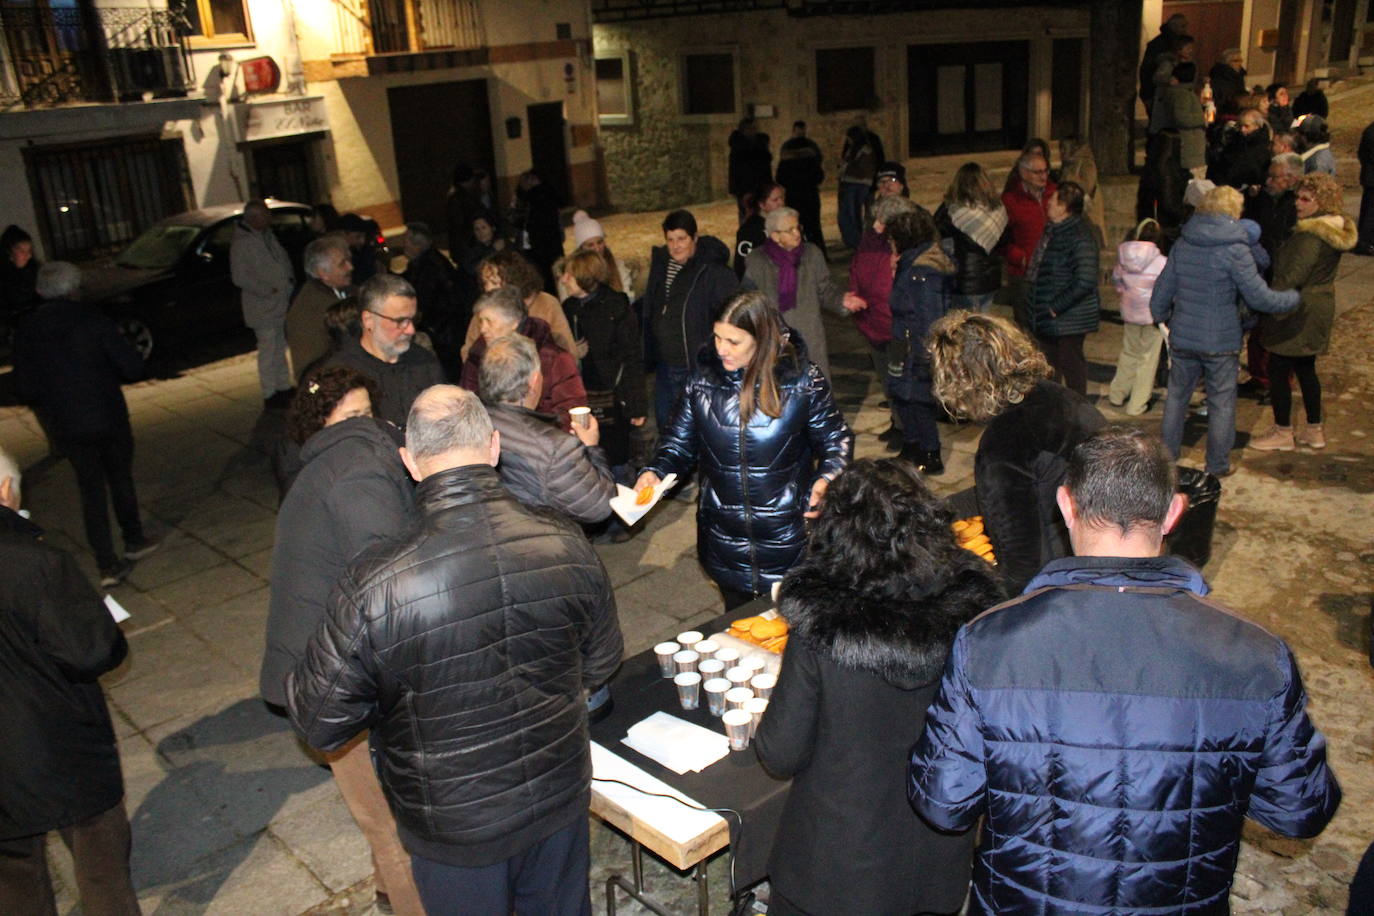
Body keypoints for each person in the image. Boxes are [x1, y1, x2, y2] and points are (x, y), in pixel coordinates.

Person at [909, 426, 1341, 915]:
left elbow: (943, 803)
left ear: (1066, 506)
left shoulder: (988, 643)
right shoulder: (1257, 656)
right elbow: (1301, 811)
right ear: (1175, 512)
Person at [288, 385, 623, 916]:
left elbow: (319, 719)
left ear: (410, 463)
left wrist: (393, 704)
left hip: (454, 830)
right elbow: (602, 662)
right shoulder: (565, 542)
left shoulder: (377, 582)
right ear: (493, 447)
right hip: (557, 797)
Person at [755, 458, 1003, 916]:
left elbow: (779, 751)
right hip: (935, 861)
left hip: (832, 869)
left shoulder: (823, 626)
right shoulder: (973, 614)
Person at [263, 366, 421, 916]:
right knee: (392, 824)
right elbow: (386, 580)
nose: (365, 424)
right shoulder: (356, 471)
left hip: (325, 668)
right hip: (336, 677)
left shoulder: (324, 468)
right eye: (350, 416)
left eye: (365, 412)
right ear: (324, 425)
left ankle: (383, 893)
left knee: (376, 811)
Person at [635, 291, 852, 608]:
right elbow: (677, 445)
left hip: (791, 539)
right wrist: (654, 473)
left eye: (733, 341)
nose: (721, 348)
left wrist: (828, 480)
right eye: (717, 337)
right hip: (724, 542)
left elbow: (836, 439)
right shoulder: (701, 383)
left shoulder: (802, 381)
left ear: (761, 338)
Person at [0, 448, 142, 916]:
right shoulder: (34, 561)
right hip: (58, 745)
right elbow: (90, 651)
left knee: (16, 877)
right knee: (100, 863)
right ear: (4, 489)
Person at [927, 311, 1104, 594]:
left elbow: (1023, 560)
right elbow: (1023, 485)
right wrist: (942, 509)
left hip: (1064, 573)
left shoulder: (1002, 445)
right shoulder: (1059, 396)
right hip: (1102, 543)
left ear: (960, 382)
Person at [11, 262, 159, 587]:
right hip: (106, 414)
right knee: (119, 477)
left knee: (90, 489)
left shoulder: (28, 329)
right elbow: (131, 366)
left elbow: (26, 387)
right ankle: (133, 538)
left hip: (67, 423)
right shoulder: (92, 319)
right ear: (74, 288)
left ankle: (106, 564)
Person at [1149, 185, 1299, 477]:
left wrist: (1161, 316)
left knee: (1177, 398)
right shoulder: (1236, 249)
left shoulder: (1184, 243)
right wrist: (1292, 299)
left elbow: (1163, 289)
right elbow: (1258, 296)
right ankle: (1216, 464)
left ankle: (1166, 458)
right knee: (1221, 403)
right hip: (1221, 339)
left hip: (1184, 336)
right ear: (1234, 211)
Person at [1250, 173, 1357, 452]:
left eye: (1306, 199)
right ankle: (1314, 429)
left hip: (1298, 308)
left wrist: (1271, 299)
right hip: (1318, 304)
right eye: (1298, 197)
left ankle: (1283, 431)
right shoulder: (1332, 229)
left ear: (1322, 202)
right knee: (1306, 368)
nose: (1298, 203)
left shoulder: (1312, 234)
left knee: (1279, 367)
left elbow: (1293, 274)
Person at [479, 334, 615, 524]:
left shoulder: (473, 422)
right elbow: (600, 507)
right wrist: (592, 448)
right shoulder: (556, 448)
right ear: (534, 381)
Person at [641, 209, 738, 433]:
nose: (676, 246)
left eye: (682, 239)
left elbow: (732, 315)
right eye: (670, 240)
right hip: (665, 366)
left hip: (696, 367)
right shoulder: (662, 267)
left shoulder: (712, 271)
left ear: (694, 238)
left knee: (699, 429)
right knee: (669, 428)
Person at [560, 247, 646, 472]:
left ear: (583, 276)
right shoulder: (568, 308)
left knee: (617, 458)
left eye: (569, 274)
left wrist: (637, 405)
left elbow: (632, 356)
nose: (563, 279)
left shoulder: (615, 305)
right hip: (580, 397)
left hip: (614, 399)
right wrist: (572, 354)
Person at [325, 274, 446, 429]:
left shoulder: (424, 362)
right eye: (400, 321)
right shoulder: (340, 373)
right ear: (368, 320)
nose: (411, 330)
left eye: (413, 320)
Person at [884, 206, 954, 474]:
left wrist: (926, 359)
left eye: (893, 238)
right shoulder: (911, 263)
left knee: (918, 401)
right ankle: (912, 445)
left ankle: (930, 452)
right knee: (902, 397)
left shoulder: (924, 271)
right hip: (904, 344)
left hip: (916, 349)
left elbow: (930, 319)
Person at [845, 195, 918, 448]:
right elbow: (857, 267)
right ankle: (898, 423)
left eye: (883, 221)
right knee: (887, 380)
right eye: (875, 219)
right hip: (871, 319)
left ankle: (910, 431)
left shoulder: (908, 246)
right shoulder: (870, 239)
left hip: (896, 324)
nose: (876, 225)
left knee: (902, 383)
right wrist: (854, 292)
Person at [460, 286, 585, 431]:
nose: (483, 329)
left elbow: (570, 409)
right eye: (481, 322)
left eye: (489, 321)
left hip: (544, 442)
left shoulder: (554, 358)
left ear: (514, 323)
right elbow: (468, 402)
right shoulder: (477, 356)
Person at [743, 205, 838, 379]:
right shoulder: (757, 261)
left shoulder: (811, 254)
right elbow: (748, 301)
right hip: (776, 340)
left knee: (815, 388)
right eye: (790, 230)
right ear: (775, 236)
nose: (797, 233)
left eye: (797, 227)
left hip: (810, 336)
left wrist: (843, 302)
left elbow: (825, 290)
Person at [1026, 182, 1099, 396]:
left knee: (1071, 367)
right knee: (1050, 367)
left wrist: (1055, 307)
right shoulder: (1054, 231)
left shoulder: (1079, 236)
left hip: (1068, 318)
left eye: (1054, 200)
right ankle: (1055, 409)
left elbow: (1085, 280)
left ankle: (1077, 411)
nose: (1048, 203)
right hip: (1051, 315)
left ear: (1064, 206)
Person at [230, 199, 296, 407]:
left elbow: (281, 261)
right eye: (265, 215)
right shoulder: (242, 243)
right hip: (262, 306)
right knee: (268, 348)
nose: (270, 218)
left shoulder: (266, 236)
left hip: (278, 302)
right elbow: (240, 277)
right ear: (254, 218)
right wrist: (267, 290)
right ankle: (270, 392)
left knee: (279, 346)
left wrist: (288, 281)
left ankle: (283, 385)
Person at [461, 248, 576, 360]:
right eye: (485, 283)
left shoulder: (545, 303)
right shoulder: (482, 314)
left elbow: (567, 348)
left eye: (495, 282)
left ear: (514, 280)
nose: (489, 288)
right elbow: (469, 354)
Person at [1108, 219, 1167, 415]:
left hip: (1130, 312)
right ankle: (1137, 405)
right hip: (1152, 315)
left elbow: (1117, 280)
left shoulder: (1124, 256)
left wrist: (1125, 294)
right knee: (1147, 360)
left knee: (1129, 353)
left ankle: (1117, 394)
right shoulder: (1161, 262)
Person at [401, 222, 473, 381]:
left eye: (406, 241)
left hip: (444, 333)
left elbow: (426, 301)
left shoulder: (430, 267)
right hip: (444, 330)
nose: (403, 245)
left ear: (417, 244)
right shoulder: (424, 262)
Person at [934, 162, 1007, 313]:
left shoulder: (953, 210)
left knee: (965, 329)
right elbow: (1004, 241)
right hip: (991, 281)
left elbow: (935, 233)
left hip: (964, 282)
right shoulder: (998, 209)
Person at [287, 235, 354, 382]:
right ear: (323, 273)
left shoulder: (340, 291)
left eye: (349, 261)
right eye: (343, 264)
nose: (350, 267)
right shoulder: (316, 305)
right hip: (323, 380)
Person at [1002, 150, 1056, 329]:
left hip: (1052, 272)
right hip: (1024, 273)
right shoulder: (1011, 200)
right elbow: (1001, 239)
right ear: (1024, 173)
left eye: (1045, 171)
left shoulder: (1055, 194)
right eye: (1038, 172)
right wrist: (1018, 257)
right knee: (1025, 325)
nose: (1043, 176)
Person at [775, 120, 826, 254]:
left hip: (794, 195)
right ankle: (818, 253)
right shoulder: (811, 148)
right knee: (814, 226)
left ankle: (797, 253)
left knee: (794, 225)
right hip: (810, 194)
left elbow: (780, 177)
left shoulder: (787, 150)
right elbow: (819, 175)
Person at [509, 169, 564, 293]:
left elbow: (516, 219)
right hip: (549, 243)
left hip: (537, 245)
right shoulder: (548, 193)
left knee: (543, 274)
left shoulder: (529, 198)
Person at [566, 210, 635, 296]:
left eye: (600, 242)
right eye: (590, 245)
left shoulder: (618, 266)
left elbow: (628, 295)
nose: (597, 248)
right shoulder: (570, 275)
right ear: (581, 249)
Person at [1056, 136, 1106, 250]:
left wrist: (1069, 179)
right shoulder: (1067, 165)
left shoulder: (1086, 164)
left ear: (1074, 149)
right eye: (1060, 149)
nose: (1061, 152)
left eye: (1064, 148)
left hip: (1086, 218)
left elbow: (1087, 186)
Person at [837, 124, 880, 249]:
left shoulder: (862, 150)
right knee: (853, 214)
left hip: (855, 184)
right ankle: (855, 240)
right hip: (857, 184)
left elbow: (862, 168)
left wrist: (846, 167)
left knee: (851, 214)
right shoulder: (857, 149)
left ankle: (855, 241)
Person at [1138, 12, 1188, 117]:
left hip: (1161, 93)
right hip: (1158, 93)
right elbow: (1148, 70)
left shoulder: (1167, 43)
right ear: (1173, 26)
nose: (1185, 30)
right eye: (1183, 26)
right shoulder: (1161, 46)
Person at [1209, 108, 1271, 192]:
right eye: (1241, 126)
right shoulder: (1236, 140)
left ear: (1257, 126)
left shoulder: (1260, 146)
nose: (1242, 129)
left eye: (1246, 126)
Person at [734, 180, 785, 278]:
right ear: (762, 205)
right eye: (775, 200)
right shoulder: (749, 230)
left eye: (782, 198)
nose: (781, 203)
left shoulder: (790, 223)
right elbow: (743, 266)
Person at [728, 117, 773, 224]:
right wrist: (736, 188)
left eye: (754, 128)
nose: (752, 130)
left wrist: (769, 185)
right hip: (745, 187)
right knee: (747, 214)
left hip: (761, 185)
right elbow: (734, 169)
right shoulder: (738, 146)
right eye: (749, 128)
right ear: (743, 129)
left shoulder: (760, 144)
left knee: (763, 213)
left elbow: (766, 165)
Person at [0, 224, 40, 331]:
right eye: (22, 251)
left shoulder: (35, 271)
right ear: (9, 252)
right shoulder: (4, 277)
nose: (27, 255)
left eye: (29, 251)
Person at [461, 213, 507, 280]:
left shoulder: (503, 244)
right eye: (477, 229)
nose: (481, 232)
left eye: (484, 227)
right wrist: (493, 250)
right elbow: (471, 269)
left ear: (492, 228)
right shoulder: (471, 249)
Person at [1208, 47, 1248, 116]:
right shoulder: (1220, 76)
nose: (1239, 63)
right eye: (1236, 61)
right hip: (1225, 112)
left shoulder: (1239, 76)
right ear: (1227, 62)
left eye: (1241, 60)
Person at [1358, 118, 1374, 256]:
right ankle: (1365, 242)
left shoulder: (1369, 130)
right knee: (1370, 212)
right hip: (1371, 179)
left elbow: (1361, 154)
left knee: (1367, 210)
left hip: (1369, 177)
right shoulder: (1371, 133)